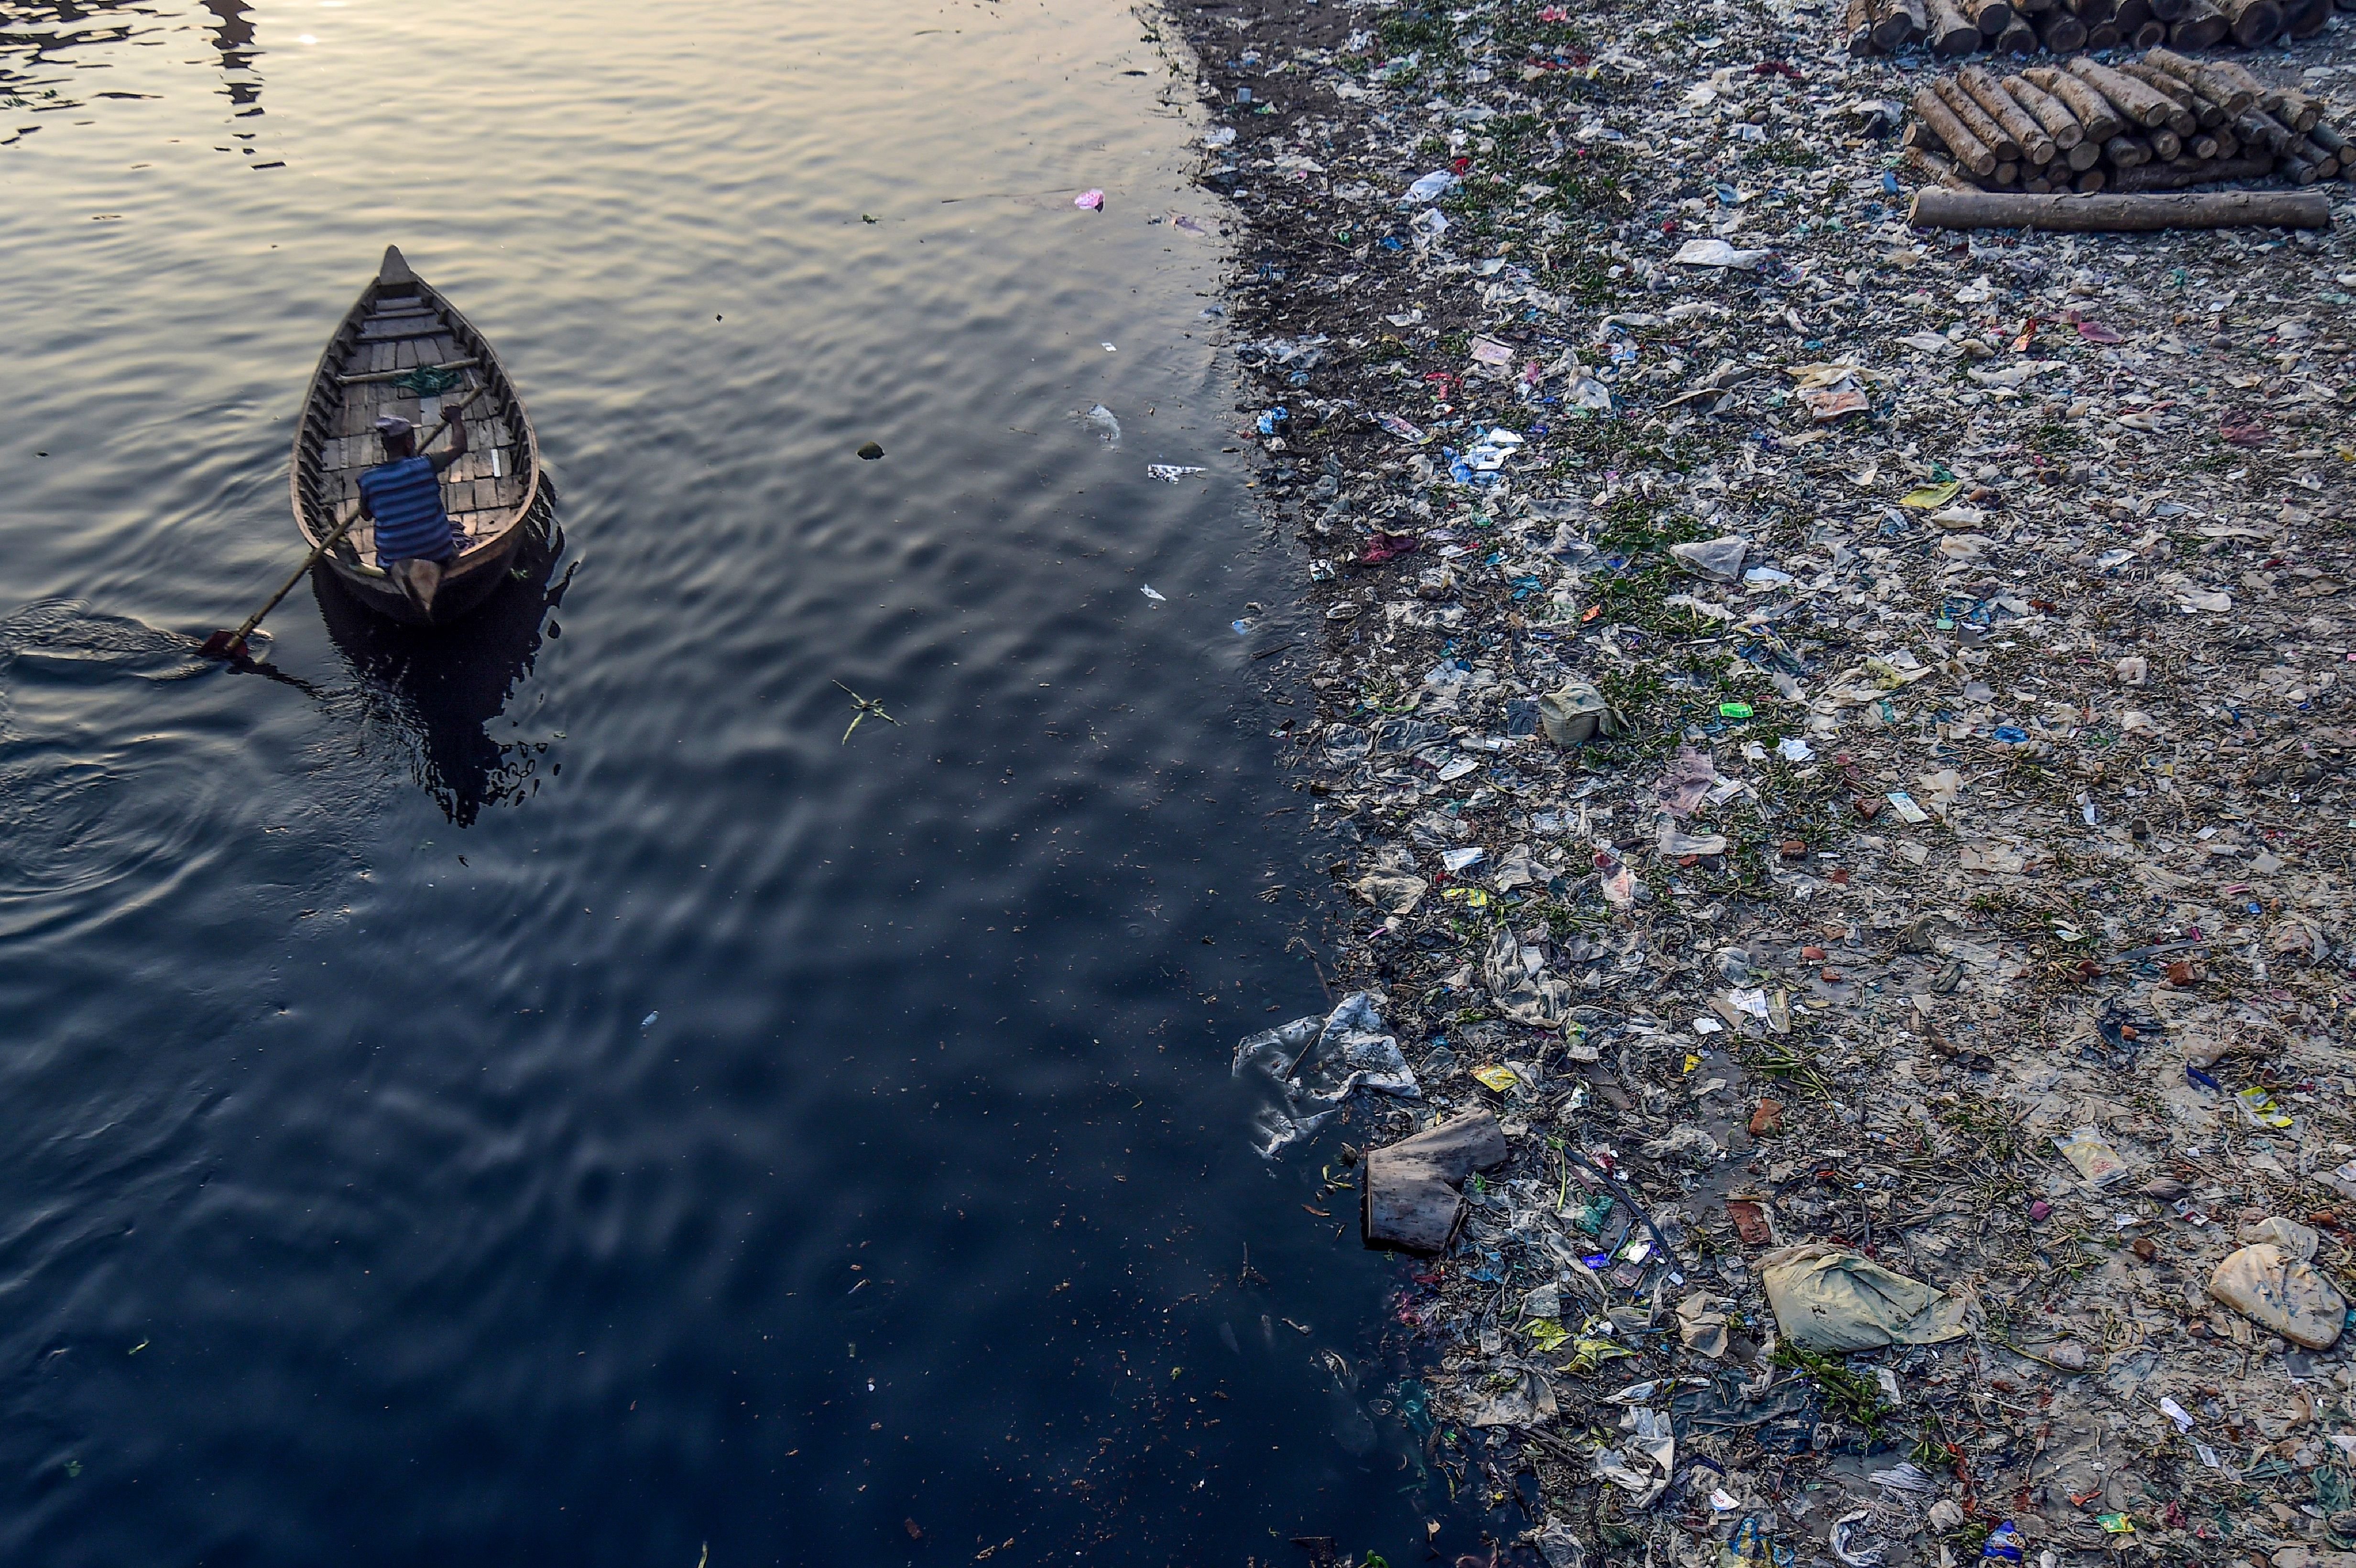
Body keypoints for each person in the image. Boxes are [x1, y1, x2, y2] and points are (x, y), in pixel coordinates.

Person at [357, 409, 470, 616]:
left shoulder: (368, 479)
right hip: (439, 553)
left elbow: (365, 515)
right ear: (409, 443)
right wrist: (455, 418)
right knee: (455, 531)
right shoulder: (426, 465)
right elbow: (459, 447)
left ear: (385, 446)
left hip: (393, 561)